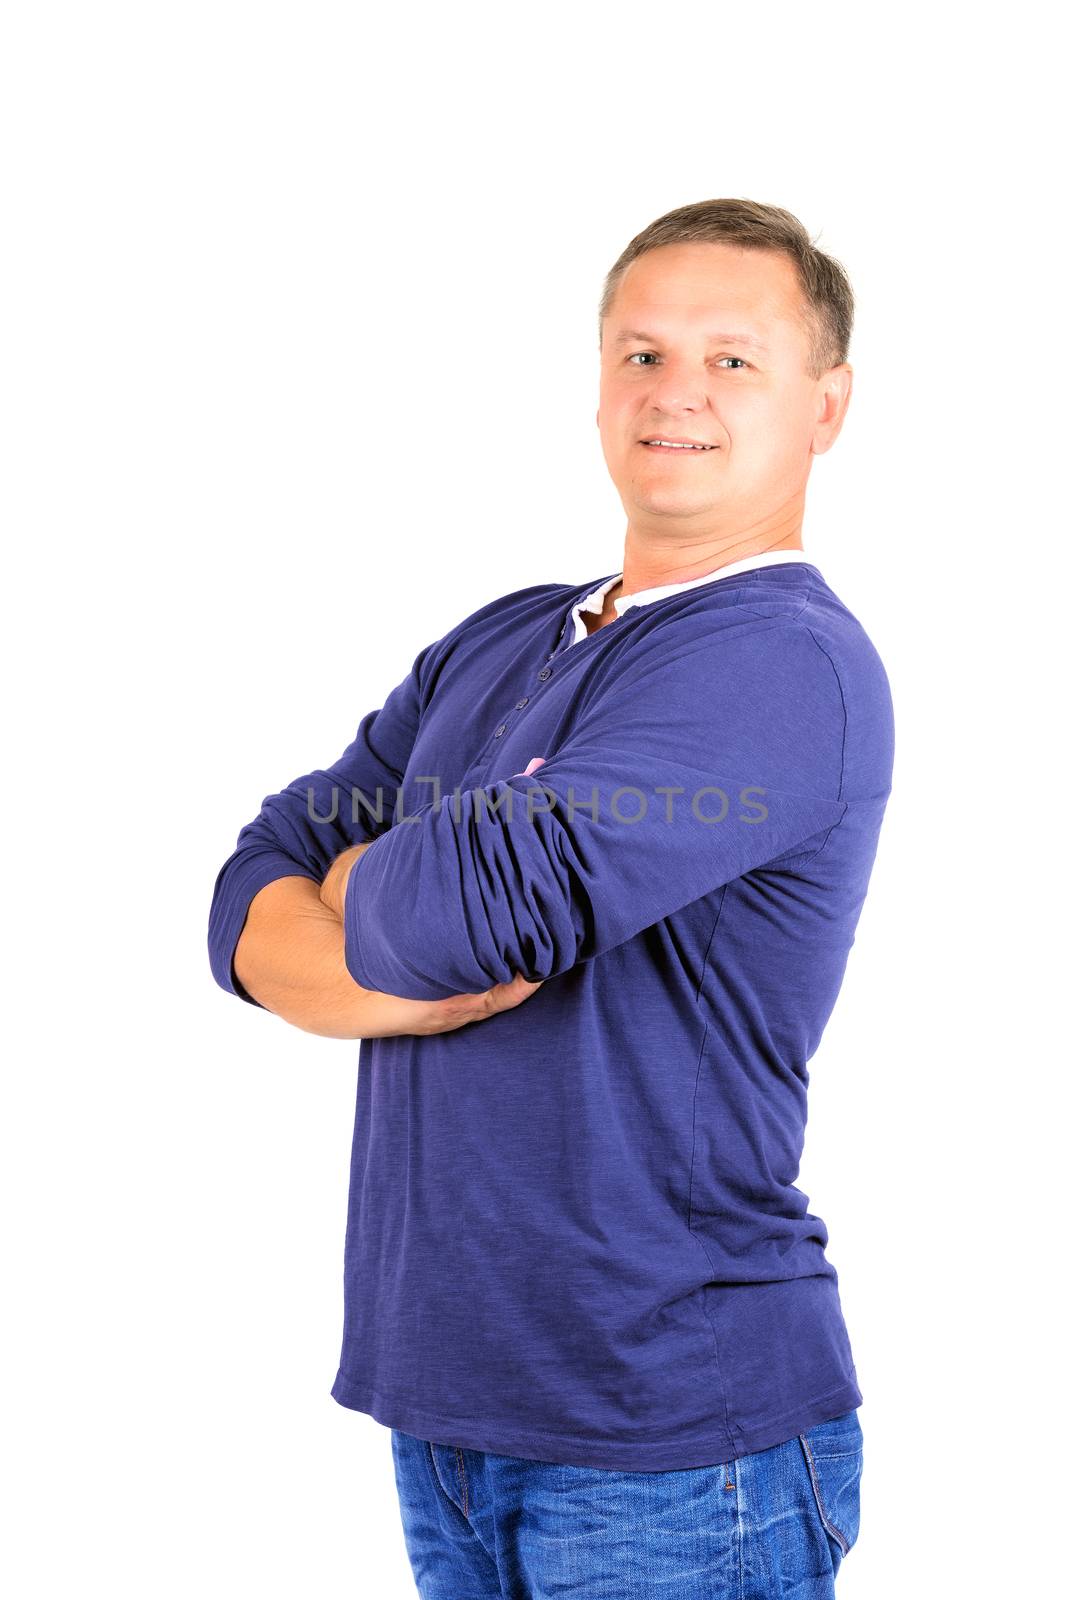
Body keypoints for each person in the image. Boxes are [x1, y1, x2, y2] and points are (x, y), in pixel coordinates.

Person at [207, 196, 893, 1597]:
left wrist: (367, 892)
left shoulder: (781, 662)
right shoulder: (506, 637)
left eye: (731, 358)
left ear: (826, 405)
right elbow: (246, 887)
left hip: (667, 1435)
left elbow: (466, 911)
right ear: (598, 388)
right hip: (451, 1406)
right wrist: (366, 916)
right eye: (640, 355)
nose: (676, 393)